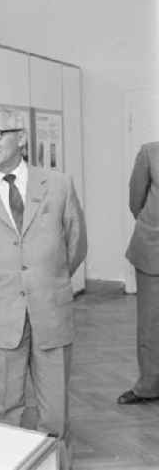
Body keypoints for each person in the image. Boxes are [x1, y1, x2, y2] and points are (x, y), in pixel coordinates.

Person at [0, 107, 86, 462]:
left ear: (21, 138)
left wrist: (46, 280)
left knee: (54, 410)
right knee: (1, 408)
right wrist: (1, 285)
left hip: (51, 310)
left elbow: (75, 246)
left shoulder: (58, 185)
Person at [120, 141, 159, 404]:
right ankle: (149, 386)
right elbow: (136, 200)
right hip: (153, 249)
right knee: (151, 322)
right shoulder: (150, 152)